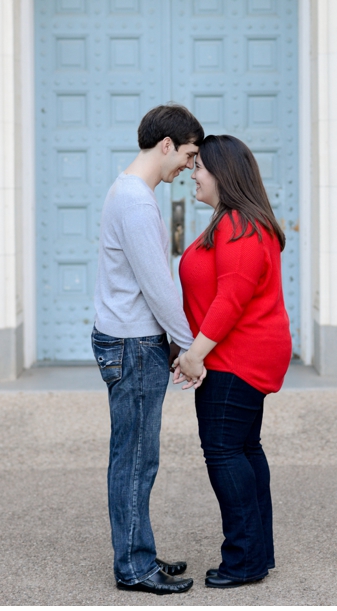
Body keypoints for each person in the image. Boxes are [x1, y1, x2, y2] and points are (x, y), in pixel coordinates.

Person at [91, 103, 204, 595]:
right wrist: (186, 345)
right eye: (188, 154)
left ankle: (137, 550)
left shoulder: (128, 192)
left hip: (126, 339)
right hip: (135, 343)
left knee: (133, 455)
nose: (190, 166)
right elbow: (158, 287)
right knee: (137, 458)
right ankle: (134, 567)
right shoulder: (137, 202)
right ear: (166, 146)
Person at [173, 134, 292, 588]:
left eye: (199, 166)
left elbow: (231, 298)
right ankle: (257, 553)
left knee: (224, 451)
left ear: (223, 173)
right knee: (244, 448)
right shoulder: (241, 221)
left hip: (236, 356)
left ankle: (243, 561)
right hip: (243, 352)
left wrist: (193, 356)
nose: (193, 174)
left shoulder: (237, 224)